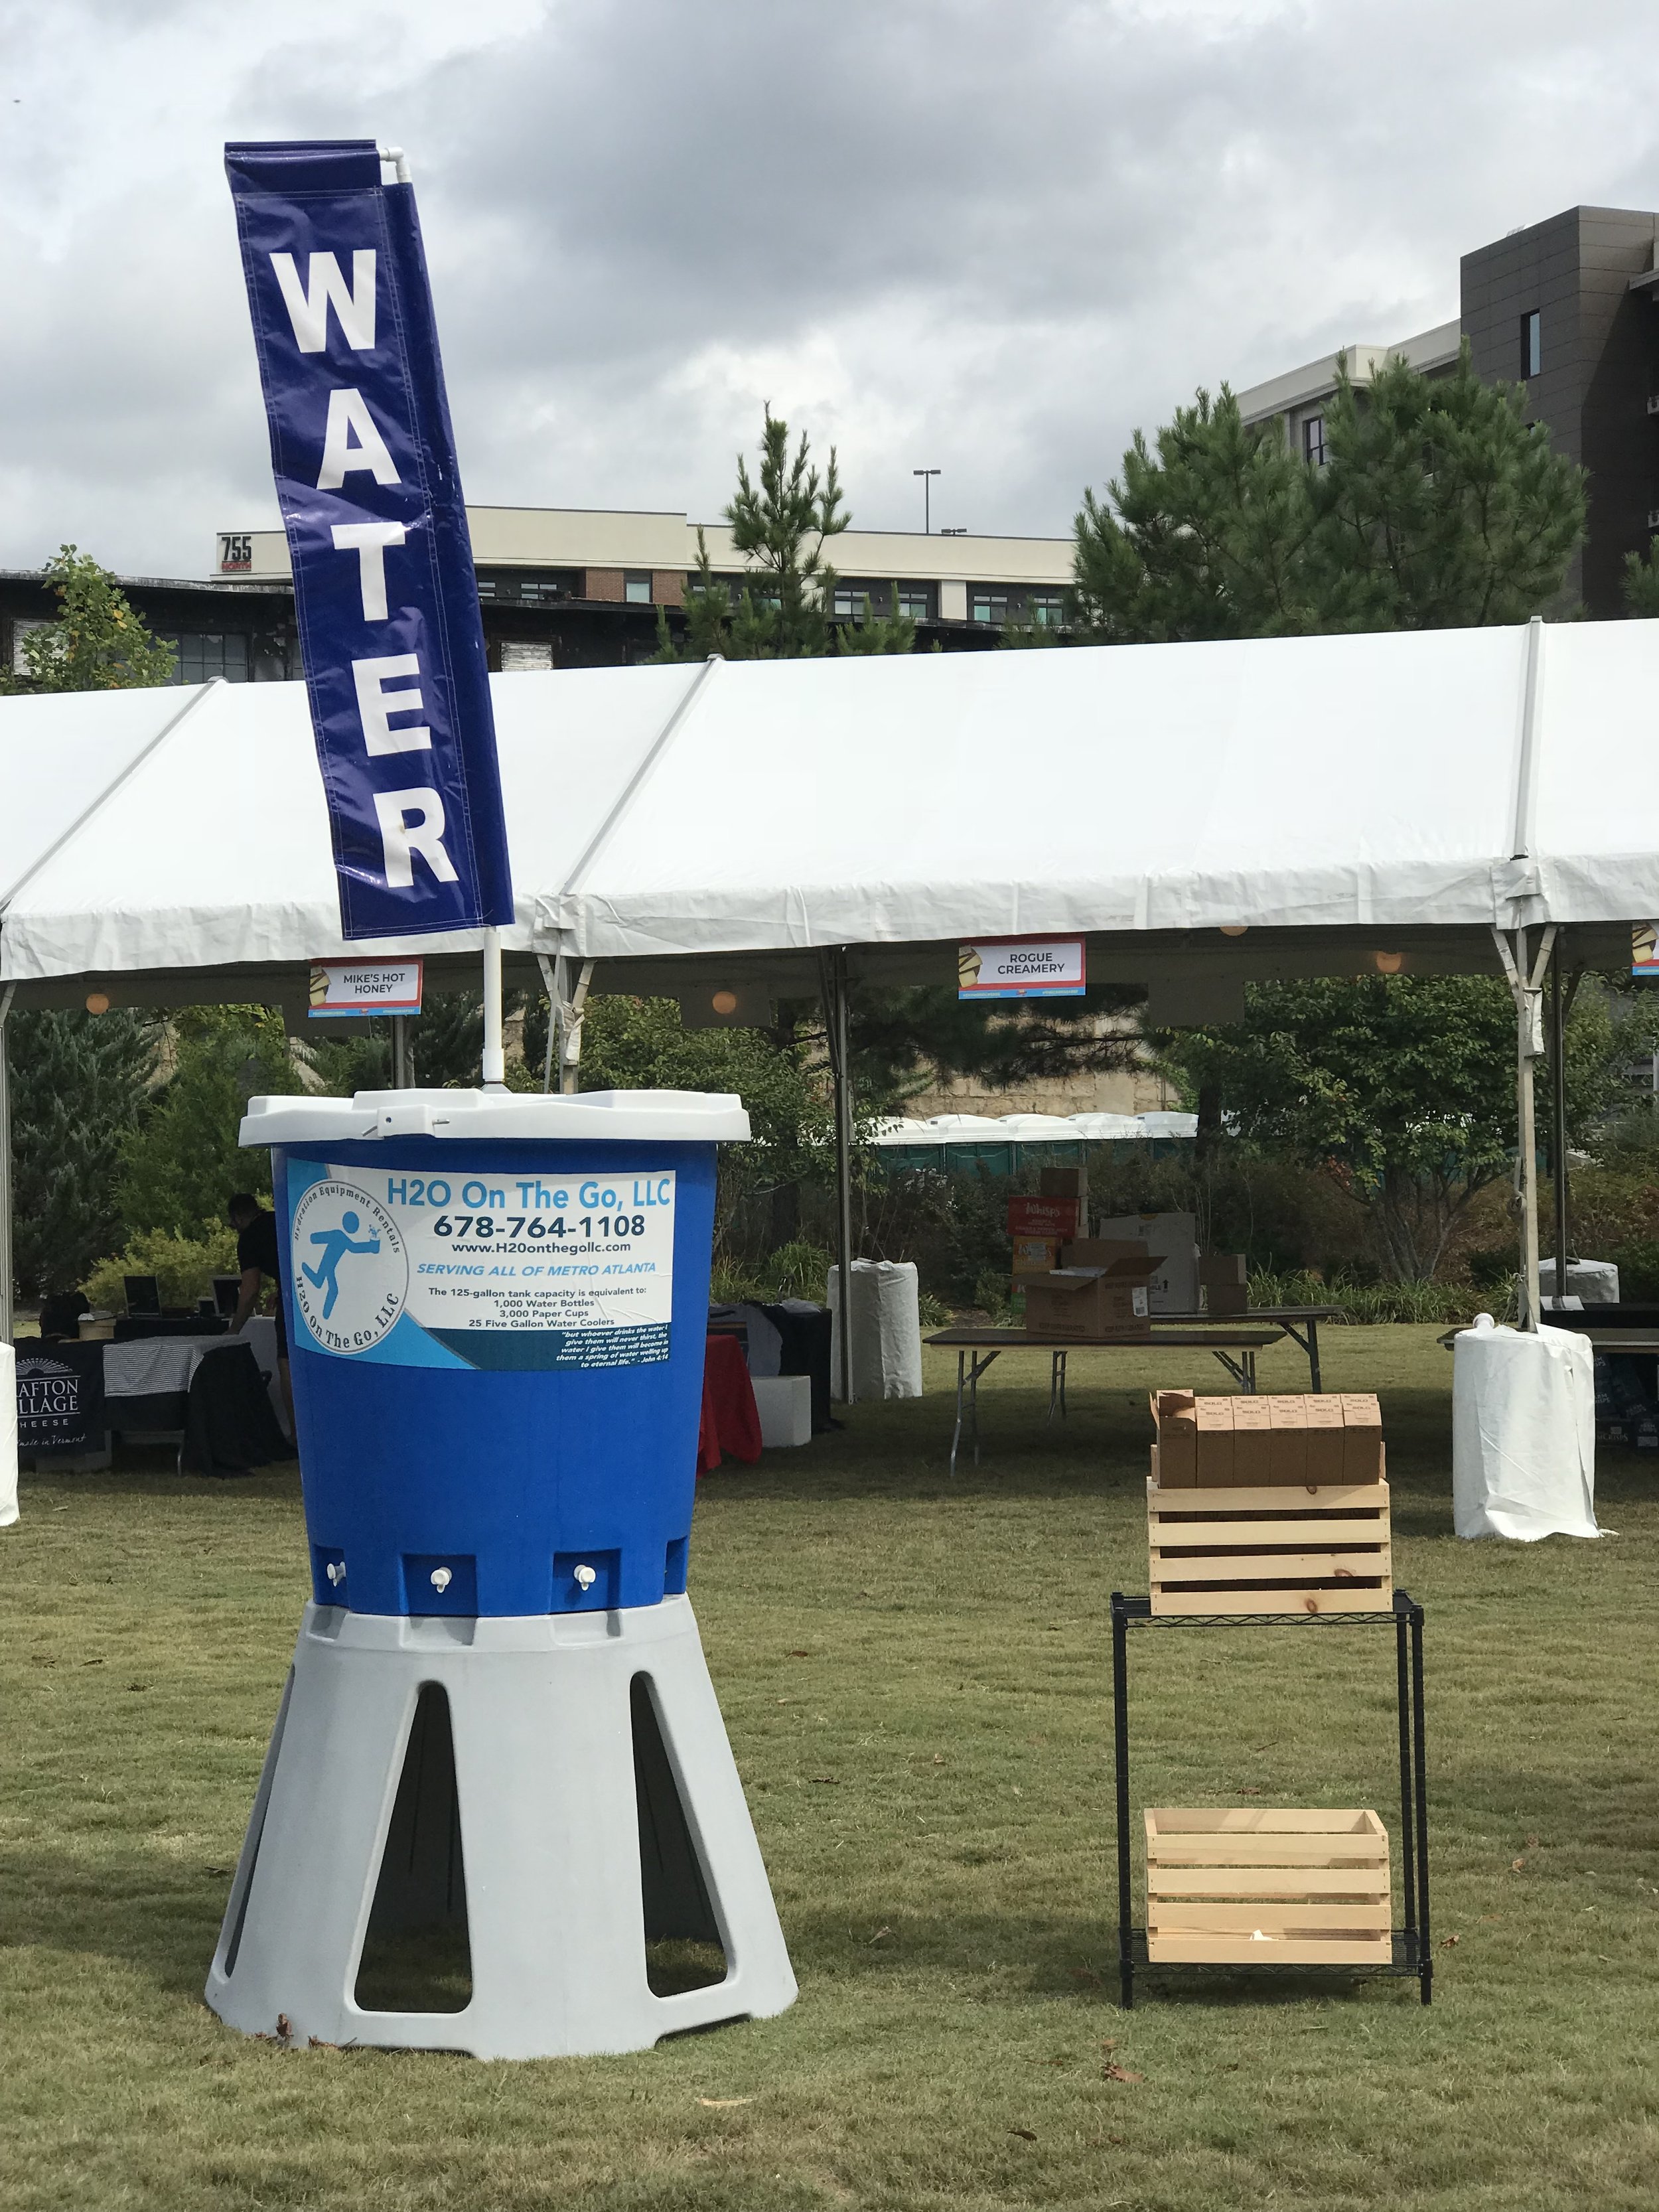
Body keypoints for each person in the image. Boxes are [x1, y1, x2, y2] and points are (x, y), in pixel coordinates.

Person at [228, 1192, 293, 1439]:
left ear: (237, 1218)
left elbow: (250, 1290)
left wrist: (235, 1329)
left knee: (287, 1362)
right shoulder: (280, 1220)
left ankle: (298, 1437)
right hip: (316, 1294)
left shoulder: (249, 1238)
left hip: (293, 1302)